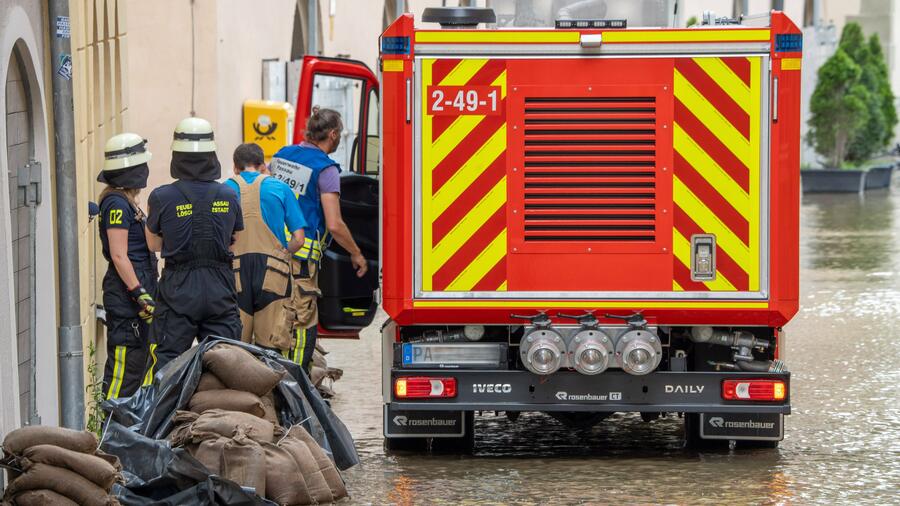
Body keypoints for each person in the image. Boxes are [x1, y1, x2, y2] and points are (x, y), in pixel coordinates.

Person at [269, 107, 367, 369]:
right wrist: (356, 254)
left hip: (269, 251)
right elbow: (334, 224)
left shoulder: (282, 156)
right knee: (301, 322)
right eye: (340, 134)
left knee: (273, 315)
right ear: (332, 134)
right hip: (300, 258)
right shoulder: (326, 170)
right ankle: (296, 383)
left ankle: (271, 373)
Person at [144, 117, 244, 372]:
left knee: (168, 364)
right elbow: (234, 242)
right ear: (212, 155)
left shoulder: (161, 196)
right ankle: (221, 410)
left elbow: (154, 244)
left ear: (176, 156)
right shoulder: (229, 194)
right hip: (219, 288)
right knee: (227, 363)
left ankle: (166, 410)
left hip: (178, 290)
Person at [225, 143, 306, 353]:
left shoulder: (224, 190)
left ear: (235, 167)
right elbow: (299, 238)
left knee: (235, 350)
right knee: (271, 350)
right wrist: (282, 253)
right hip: (273, 273)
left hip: (235, 272)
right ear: (263, 166)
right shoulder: (280, 188)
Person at [96, 133, 158, 399]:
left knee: (142, 364)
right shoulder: (116, 205)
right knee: (125, 367)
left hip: (138, 290)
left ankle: (131, 432)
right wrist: (138, 293)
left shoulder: (128, 202)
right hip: (127, 297)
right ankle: (110, 435)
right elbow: (120, 255)